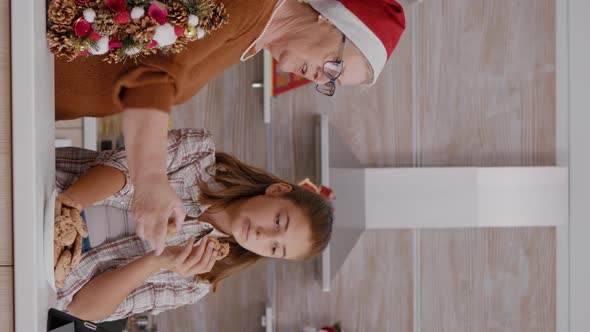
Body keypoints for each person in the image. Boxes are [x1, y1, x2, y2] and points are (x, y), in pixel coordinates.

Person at [53, 0, 404, 255]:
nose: (320, 77)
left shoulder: (248, 40)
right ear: (330, 19)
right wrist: (150, 180)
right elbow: (153, 74)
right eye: (335, 67)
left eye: (332, 83)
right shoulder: (250, 7)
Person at [53, 128, 334, 322]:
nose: (263, 235)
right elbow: (120, 169)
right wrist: (66, 210)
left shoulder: (194, 282)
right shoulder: (198, 154)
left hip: (43, 271)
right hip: (43, 192)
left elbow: (80, 308)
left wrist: (157, 261)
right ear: (278, 191)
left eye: (275, 247)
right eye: (278, 221)